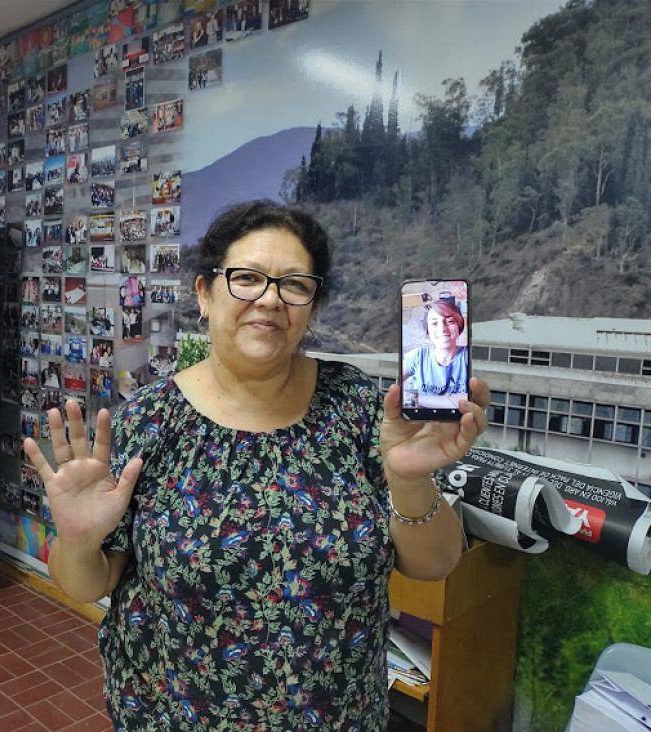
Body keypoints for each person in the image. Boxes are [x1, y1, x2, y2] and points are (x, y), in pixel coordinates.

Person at [24, 200, 489, 731]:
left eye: (294, 285)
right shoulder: (148, 424)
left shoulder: (361, 408)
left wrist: (410, 479)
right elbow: (87, 584)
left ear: (312, 308)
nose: (269, 299)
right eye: (246, 278)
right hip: (174, 715)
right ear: (204, 294)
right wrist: (80, 541)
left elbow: (434, 565)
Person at [401, 299, 469, 407]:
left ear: (459, 326)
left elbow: (467, 401)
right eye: (434, 323)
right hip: (421, 422)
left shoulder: (468, 357)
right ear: (428, 331)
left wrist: (416, 399)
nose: (442, 329)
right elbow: (390, 383)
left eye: (450, 321)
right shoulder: (418, 356)